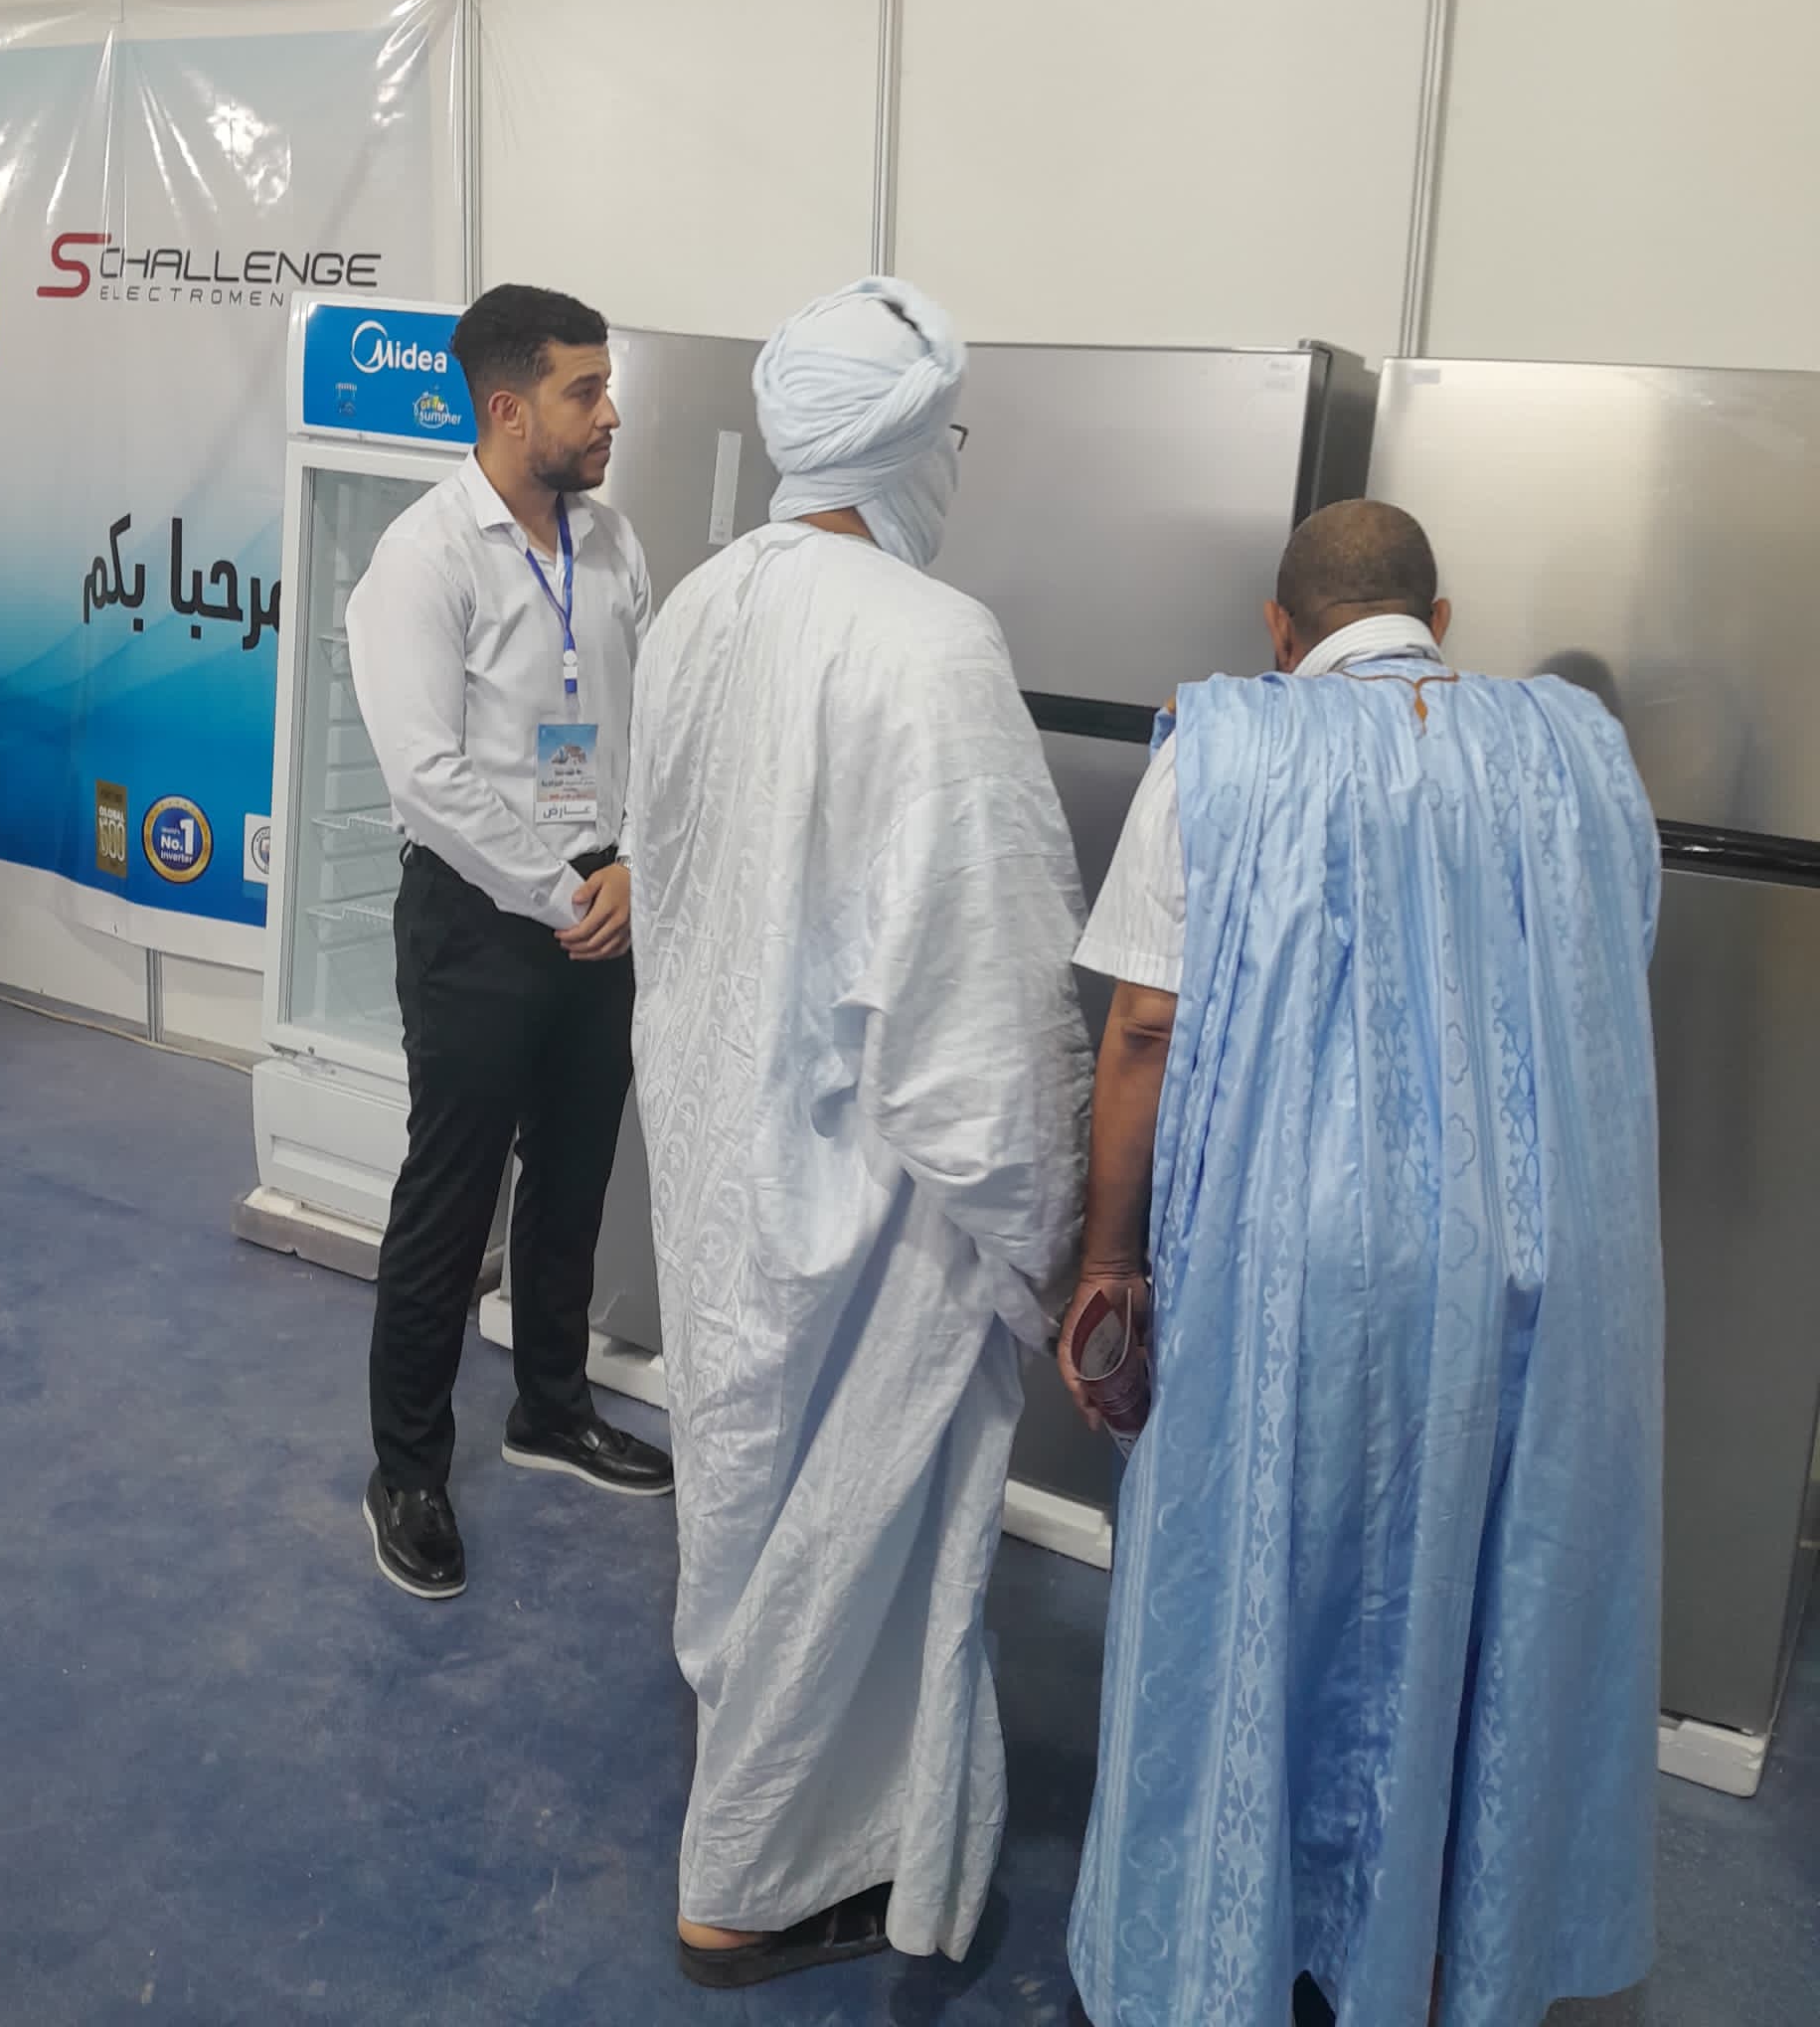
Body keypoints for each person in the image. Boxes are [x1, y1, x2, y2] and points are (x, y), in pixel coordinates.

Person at [1060, 500, 1662, 2027]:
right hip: (1543, 1267)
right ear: (1439, 622)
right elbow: (1601, 980)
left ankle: (1239, 1951)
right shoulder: (1580, 751)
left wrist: (1111, 1262)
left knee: (1270, 1596)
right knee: (1476, 1595)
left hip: (1302, 1265)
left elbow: (1145, 1028)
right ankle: (1442, 1953)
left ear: (1281, 628)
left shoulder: (1228, 744)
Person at [626, 278, 1090, 1989]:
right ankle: (753, 1880)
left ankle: (762, 1800)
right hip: (877, 1182)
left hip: (717, 1140)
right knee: (854, 1528)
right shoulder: (930, 639)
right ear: (908, 442)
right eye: (949, 432)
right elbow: (982, 975)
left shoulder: (699, 605)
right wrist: (1051, 1224)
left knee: (748, 1483)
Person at [347, 282, 673, 1604]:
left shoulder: (614, 544)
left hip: (603, 903)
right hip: (480, 918)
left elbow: (649, 722)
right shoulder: (424, 559)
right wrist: (558, 890)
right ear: (507, 408)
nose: (610, 415)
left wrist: (632, 863)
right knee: (452, 1191)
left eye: (607, 387)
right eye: (584, 391)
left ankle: (551, 1406)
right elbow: (426, 775)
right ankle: (408, 1470)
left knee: (576, 1171)